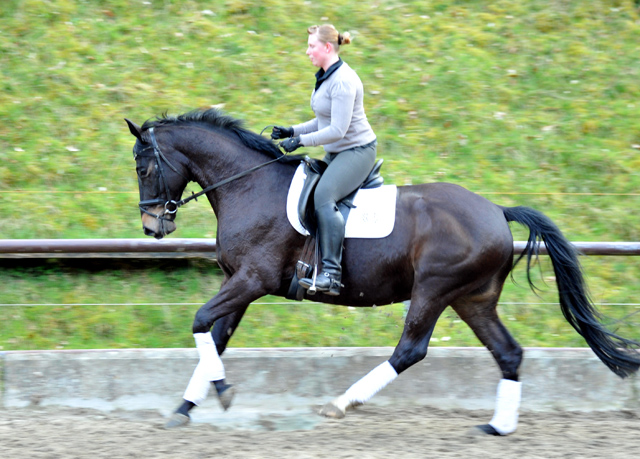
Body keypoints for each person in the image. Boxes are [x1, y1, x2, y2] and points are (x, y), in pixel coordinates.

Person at [272, 24, 377, 296]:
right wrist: (292, 130)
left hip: (357, 152)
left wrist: (301, 142)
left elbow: (337, 130)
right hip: (338, 152)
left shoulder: (343, 80)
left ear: (327, 48)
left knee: (323, 196)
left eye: (311, 46)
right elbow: (322, 119)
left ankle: (331, 273)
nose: (307, 51)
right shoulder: (327, 76)